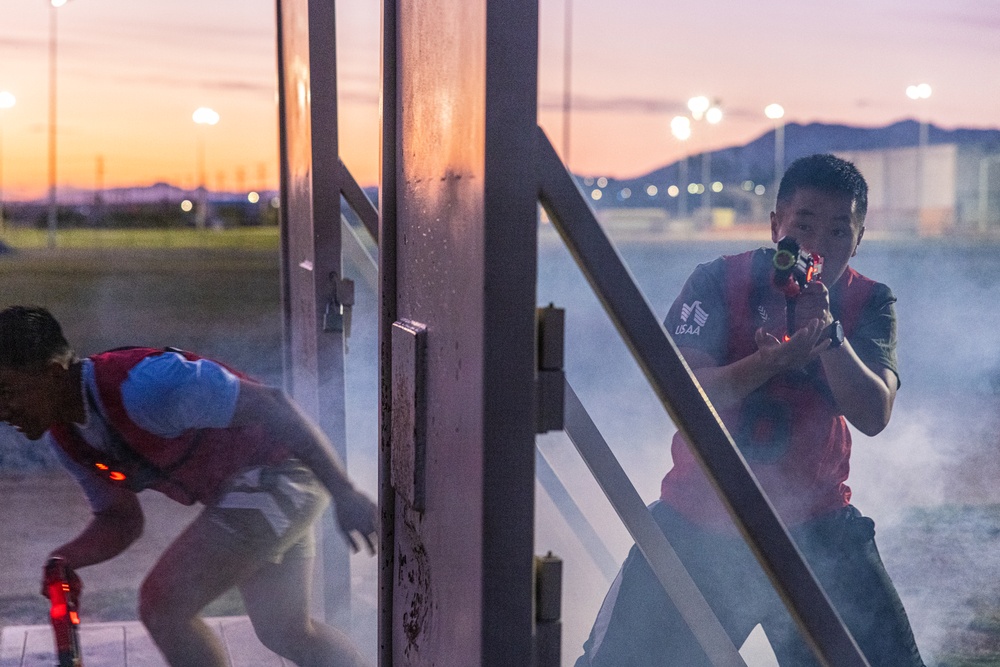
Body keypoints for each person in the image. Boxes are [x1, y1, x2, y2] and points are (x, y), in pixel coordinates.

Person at [575, 154, 925, 666]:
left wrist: (831, 339)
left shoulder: (868, 299)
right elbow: (684, 399)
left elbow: (874, 414)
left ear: (859, 237)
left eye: (838, 231)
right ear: (775, 223)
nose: (819, 246)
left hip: (816, 528)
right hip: (701, 519)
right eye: (804, 225)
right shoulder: (719, 280)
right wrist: (770, 362)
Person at [0, 305, 377, 667]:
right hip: (255, 488)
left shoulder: (145, 385)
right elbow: (120, 520)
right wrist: (66, 559)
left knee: (163, 604)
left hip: (281, 472)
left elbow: (273, 405)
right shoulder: (67, 438)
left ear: (51, 374)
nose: (2, 410)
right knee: (286, 631)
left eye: (6, 390)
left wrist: (343, 491)